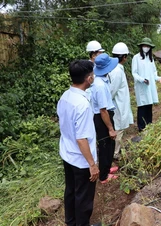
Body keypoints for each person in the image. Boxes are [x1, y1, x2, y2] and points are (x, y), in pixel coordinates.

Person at [57, 60, 99, 226]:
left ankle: (71, 222)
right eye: (93, 75)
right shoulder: (82, 105)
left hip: (67, 154)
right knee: (84, 197)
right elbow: (81, 139)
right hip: (81, 160)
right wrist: (92, 164)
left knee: (71, 191)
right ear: (88, 79)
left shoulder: (66, 96)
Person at [90, 53, 119, 184]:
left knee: (109, 144)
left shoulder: (102, 80)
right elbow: (102, 110)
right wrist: (110, 128)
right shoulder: (100, 86)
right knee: (104, 145)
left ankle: (106, 169)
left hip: (105, 115)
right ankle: (103, 176)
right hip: (102, 117)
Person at [132, 37, 161, 132]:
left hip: (150, 86)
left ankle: (149, 124)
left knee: (149, 105)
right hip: (141, 86)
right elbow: (134, 73)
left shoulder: (150, 59)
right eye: (144, 46)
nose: (146, 47)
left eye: (148, 46)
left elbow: (153, 72)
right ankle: (141, 127)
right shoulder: (136, 58)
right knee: (142, 105)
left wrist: (158, 78)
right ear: (141, 46)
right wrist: (142, 80)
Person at [109, 42, 134, 158]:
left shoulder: (115, 69)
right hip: (117, 106)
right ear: (124, 57)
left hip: (119, 104)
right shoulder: (117, 71)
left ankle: (115, 151)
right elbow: (112, 91)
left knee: (119, 129)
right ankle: (114, 153)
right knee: (118, 130)